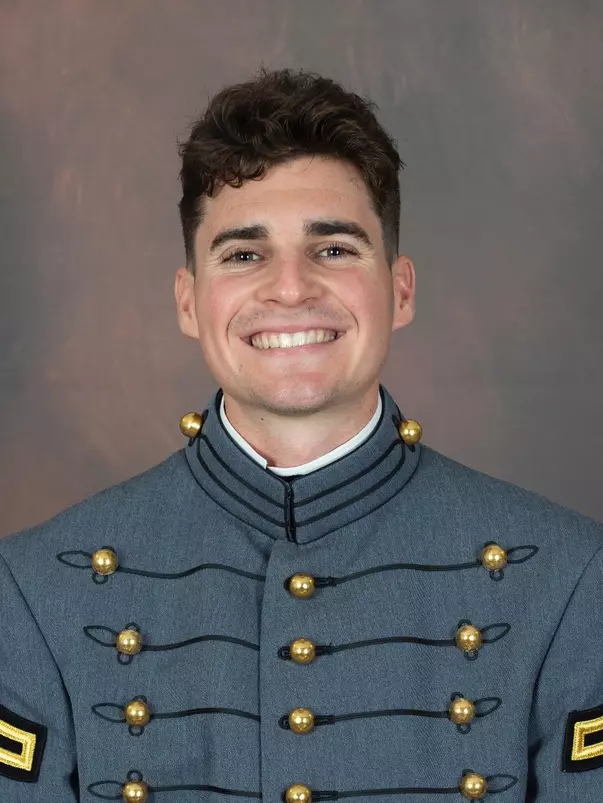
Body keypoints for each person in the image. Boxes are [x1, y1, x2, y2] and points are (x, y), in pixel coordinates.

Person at [0, 66, 601, 803]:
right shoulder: (30, 593)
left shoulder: (573, 581)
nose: (290, 287)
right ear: (189, 301)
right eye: (244, 254)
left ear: (399, 289)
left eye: (335, 248)